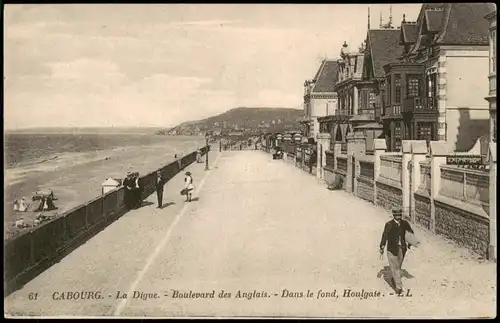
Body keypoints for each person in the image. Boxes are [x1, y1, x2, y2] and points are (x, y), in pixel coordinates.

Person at [379, 206, 415, 295]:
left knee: (398, 267)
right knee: (395, 267)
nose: (398, 217)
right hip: (391, 249)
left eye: (399, 215)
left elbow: (410, 232)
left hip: (402, 248)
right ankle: (398, 287)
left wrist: (410, 242)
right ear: (393, 215)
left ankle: (394, 278)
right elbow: (385, 236)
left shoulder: (404, 223)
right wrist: (382, 246)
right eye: (396, 215)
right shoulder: (389, 224)